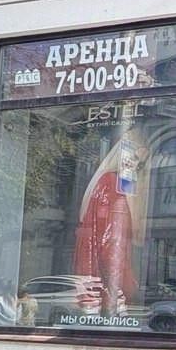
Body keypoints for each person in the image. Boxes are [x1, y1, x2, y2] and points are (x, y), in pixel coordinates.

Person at [73, 130, 149, 315]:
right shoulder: (113, 184)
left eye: (141, 164)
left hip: (107, 272)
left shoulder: (113, 183)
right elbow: (110, 241)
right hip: (108, 273)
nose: (137, 167)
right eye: (136, 161)